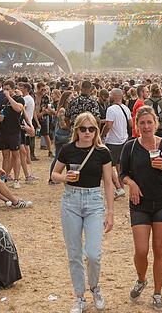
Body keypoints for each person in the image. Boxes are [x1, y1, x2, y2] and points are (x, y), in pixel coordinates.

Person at [120, 106, 162, 310]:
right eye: (142, 123)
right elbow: (122, 174)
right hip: (140, 204)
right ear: (136, 125)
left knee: (159, 249)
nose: (146, 126)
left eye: (149, 122)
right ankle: (141, 279)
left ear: (156, 124)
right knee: (141, 250)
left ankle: (157, 293)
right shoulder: (130, 147)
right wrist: (131, 184)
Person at [51, 112, 114, 313]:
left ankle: (95, 287)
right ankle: (79, 296)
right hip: (71, 200)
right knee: (74, 253)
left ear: (96, 130)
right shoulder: (68, 150)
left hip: (94, 201)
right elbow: (53, 174)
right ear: (76, 130)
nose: (87, 132)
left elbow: (108, 183)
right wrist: (65, 178)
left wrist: (110, 212)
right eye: (83, 129)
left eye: (91, 129)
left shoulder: (103, 152)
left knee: (94, 254)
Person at [101, 88, 131, 198]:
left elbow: (108, 125)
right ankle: (122, 188)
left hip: (113, 141)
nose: (109, 97)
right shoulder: (126, 108)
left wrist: (101, 135)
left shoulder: (111, 109)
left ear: (114, 96)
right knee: (119, 165)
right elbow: (131, 124)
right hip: (124, 139)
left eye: (110, 95)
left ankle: (118, 188)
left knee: (107, 166)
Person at [51, 91, 75, 183]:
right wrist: (72, 124)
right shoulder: (62, 110)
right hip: (61, 136)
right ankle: (52, 177)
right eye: (71, 97)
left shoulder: (67, 109)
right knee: (58, 157)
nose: (72, 99)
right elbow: (62, 125)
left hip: (64, 136)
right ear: (66, 98)